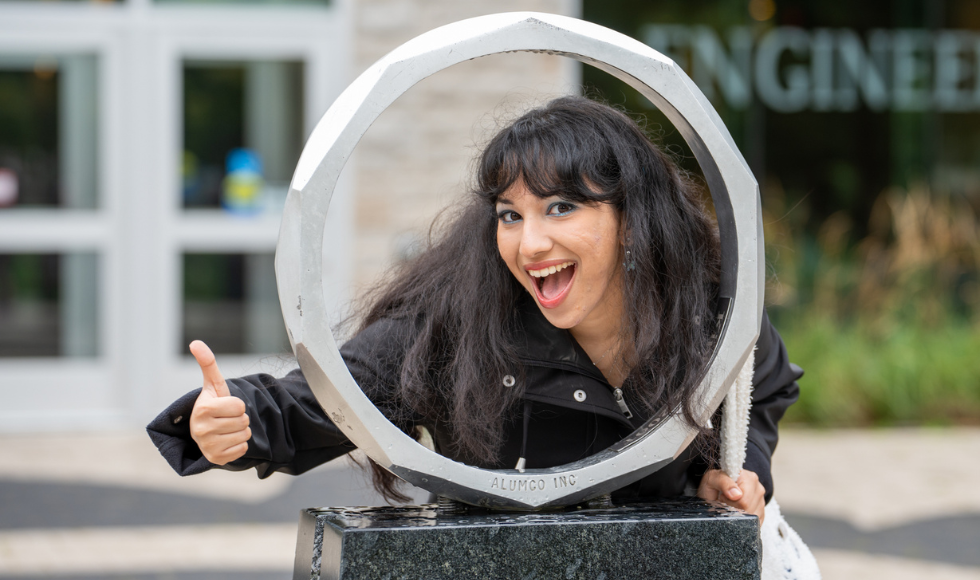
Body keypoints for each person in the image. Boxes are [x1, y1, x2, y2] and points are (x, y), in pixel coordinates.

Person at [147, 96, 800, 522]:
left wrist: (740, 471)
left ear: (631, 220)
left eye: (561, 207)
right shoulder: (459, 325)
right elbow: (338, 397)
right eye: (510, 215)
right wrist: (234, 419)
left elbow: (760, 385)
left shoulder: (706, 311)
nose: (530, 242)